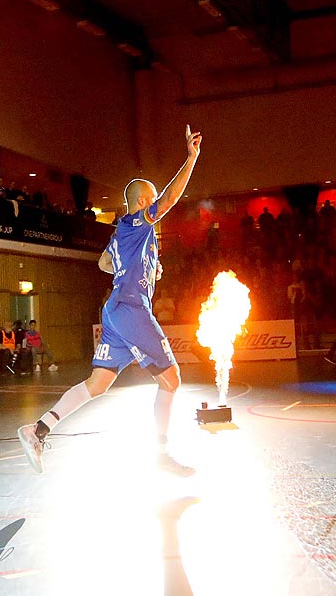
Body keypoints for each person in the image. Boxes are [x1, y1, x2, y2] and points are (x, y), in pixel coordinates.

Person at [18, 125, 203, 475]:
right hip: (132, 308)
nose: (157, 205)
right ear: (144, 202)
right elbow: (171, 199)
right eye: (152, 199)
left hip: (117, 309)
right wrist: (190, 158)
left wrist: (142, 268)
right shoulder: (138, 221)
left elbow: (105, 262)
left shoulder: (126, 234)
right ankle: (161, 455)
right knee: (172, 379)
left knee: (98, 384)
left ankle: (37, 430)